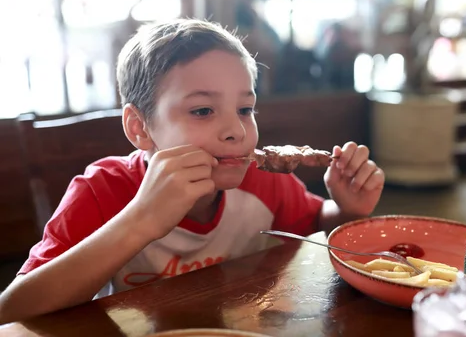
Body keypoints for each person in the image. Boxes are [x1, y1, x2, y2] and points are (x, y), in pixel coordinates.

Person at [0, 19, 385, 324]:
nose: (236, 130)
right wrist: (142, 219)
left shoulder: (261, 180)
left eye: (245, 109)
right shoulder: (103, 190)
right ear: (140, 127)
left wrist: (347, 209)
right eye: (202, 110)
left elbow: (315, 222)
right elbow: (13, 310)